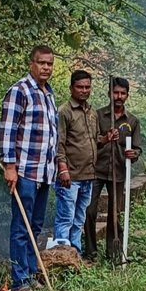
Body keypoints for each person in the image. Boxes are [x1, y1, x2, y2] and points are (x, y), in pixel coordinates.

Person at [0, 44, 59, 291]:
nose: (46, 67)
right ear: (31, 64)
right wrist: (9, 166)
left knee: (36, 225)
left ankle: (31, 271)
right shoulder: (20, 91)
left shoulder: (48, 93)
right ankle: (19, 280)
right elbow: (8, 130)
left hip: (44, 172)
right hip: (24, 171)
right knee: (21, 226)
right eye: (41, 63)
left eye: (49, 63)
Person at [87, 77, 143, 262]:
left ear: (127, 95)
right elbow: (91, 142)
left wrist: (133, 154)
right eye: (115, 92)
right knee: (89, 211)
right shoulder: (97, 115)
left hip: (118, 171)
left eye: (122, 93)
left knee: (115, 213)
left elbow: (137, 148)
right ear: (109, 93)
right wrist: (105, 139)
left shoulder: (132, 121)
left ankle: (113, 253)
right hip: (96, 170)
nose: (119, 96)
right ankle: (90, 252)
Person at [53, 70, 98, 252]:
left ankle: (75, 254)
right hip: (70, 176)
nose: (84, 90)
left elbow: (93, 140)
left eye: (87, 87)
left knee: (79, 218)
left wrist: (107, 138)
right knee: (66, 217)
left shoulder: (91, 112)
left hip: (88, 175)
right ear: (71, 88)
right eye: (80, 87)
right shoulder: (64, 111)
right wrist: (62, 169)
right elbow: (58, 142)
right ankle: (62, 256)